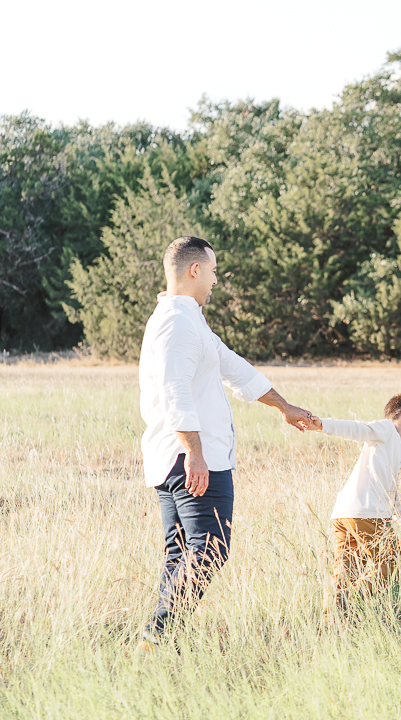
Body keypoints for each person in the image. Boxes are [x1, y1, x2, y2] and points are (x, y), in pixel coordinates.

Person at [137, 236, 313, 654]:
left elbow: (235, 368)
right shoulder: (177, 323)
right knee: (210, 549)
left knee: (182, 554)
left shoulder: (188, 320)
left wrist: (283, 407)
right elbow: (174, 389)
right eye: (213, 271)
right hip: (194, 459)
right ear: (194, 270)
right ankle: (157, 634)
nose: (215, 280)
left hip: (177, 458)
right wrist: (194, 452)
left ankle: (160, 642)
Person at [307, 394, 401, 612]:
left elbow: (394, 500)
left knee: (346, 571)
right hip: (367, 514)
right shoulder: (387, 430)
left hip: (343, 514)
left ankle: (332, 622)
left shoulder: (392, 449)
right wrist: (323, 425)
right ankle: (349, 602)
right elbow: (358, 429)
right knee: (394, 562)